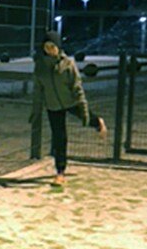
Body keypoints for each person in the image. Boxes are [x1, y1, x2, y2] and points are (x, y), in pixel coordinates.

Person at [31, 31, 107, 186]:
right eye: (47, 47)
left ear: (58, 47)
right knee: (59, 138)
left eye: (53, 46)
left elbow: (77, 88)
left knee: (85, 118)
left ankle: (98, 122)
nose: (50, 50)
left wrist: (84, 110)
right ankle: (60, 172)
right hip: (53, 106)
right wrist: (36, 111)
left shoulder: (68, 64)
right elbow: (38, 90)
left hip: (71, 101)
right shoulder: (40, 66)